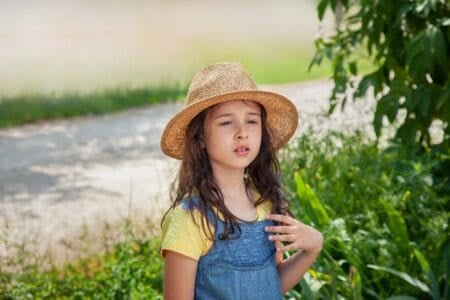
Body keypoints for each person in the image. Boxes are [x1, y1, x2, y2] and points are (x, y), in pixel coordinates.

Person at [159, 62, 323, 299]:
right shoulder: (191, 219)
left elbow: (270, 285)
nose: (242, 132)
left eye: (252, 121)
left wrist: (313, 247)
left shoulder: (265, 203)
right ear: (200, 137)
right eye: (226, 122)